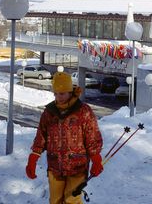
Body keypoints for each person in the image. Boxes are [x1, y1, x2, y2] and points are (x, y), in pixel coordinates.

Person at [25, 71, 104, 204]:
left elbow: (92, 136)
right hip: (55, 165)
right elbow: (41, 137)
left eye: (61, 93)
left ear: (69, 91)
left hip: (77, 166)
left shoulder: (83, 111)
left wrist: (96, 159)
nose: (58, 97)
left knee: (71, 200)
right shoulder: (49, 112)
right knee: (55, 200)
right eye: (55, 93)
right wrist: (33, 157)